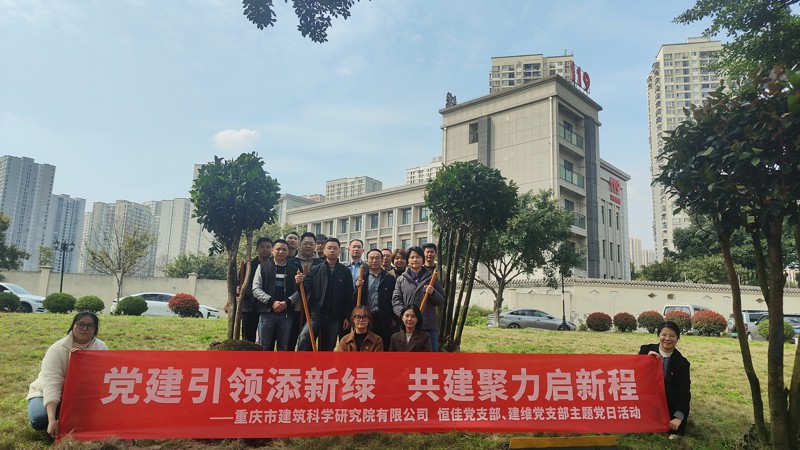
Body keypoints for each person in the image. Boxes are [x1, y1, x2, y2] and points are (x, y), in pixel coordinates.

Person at [27, 312, 108, 438]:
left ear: (95, 329)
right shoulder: (57, 349)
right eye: (80, 324)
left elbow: (102, 378)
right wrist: (52, 419)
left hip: (82, 395)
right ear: (73, 326)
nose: (84, 329)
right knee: (40, 419)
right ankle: (52, 420)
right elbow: (52, 384)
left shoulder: (101, 347)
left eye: (90, 325)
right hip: (46, 393)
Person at [296, 237, 354, 351]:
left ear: (339, 251)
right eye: (329, 248)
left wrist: (347, 316)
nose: (332, 250)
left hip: (335, 316)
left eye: (335, 248)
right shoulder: (315, 269)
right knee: (304, 338)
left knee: (329, 346)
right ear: (324, 250)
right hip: (316, 314)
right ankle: (302, 361)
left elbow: (349, 296)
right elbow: (305, 288)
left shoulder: (345, 271)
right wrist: (299, 283)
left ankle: (324, 363)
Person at [639, 321, 691, 438]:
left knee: (669, 389)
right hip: (647, 395)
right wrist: (645, 359)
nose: (667, 339)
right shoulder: (646, 350)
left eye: (672, 336)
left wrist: (679, 416)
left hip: (668, 399)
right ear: (659, 335)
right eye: (664, 335)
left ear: (677, 338)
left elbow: (684, 391)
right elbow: (634, 372)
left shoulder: (682, 363)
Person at [392, 246, 445, 352]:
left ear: (423, 259)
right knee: (409, 358)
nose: (415, 260)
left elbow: (441, 300)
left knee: (430, 358)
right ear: (408, 260)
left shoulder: (431, 278)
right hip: (408, 327)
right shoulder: (401, 280)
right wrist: (405, 315)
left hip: (428, 325)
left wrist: (433, 293)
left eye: (418, 257)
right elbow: (396, 300)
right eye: (412, 257)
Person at [252, 239, 300, 351]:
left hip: (286, 314)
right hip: (266, 313)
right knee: (263, 346)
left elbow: (298, 291)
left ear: (288, 252)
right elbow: (256, 289)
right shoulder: (262, 267)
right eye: (278, 249)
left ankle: (281, 363)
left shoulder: (294, 269)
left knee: (283, 347)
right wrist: (272, 302)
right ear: (272, 250)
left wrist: (287, 302)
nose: (281, 252)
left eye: (284, 249)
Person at [354, 248, 398, 350]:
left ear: (382, 260)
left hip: (384, 318)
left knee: (384, 345)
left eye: (377, 258)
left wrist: (393, 318)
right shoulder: (362, 278)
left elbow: (394, 299)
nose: (374, 261)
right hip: (366, 317)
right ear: (367, 260)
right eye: (371, 258)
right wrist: (357, 287)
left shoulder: (389, 278)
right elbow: (354, 299)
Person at [231, 236, 272, 343]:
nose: (265, 249)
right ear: (257, 249)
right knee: (248, 337)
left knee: (267, 339)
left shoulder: (274, 266)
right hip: (249, 306)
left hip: (267, 307)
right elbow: (238, 284)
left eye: (268, 247)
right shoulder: (247, 266)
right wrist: (238, 290)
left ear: (272, 249)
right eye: (262, 247)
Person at [288, 232, 323, 349]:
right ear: (300, 244)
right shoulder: (291, 263)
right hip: (294, 308)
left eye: (311, 244)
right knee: (290, 341)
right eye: (305, 243)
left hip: (313, 310)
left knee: (308, 342)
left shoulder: (321, 264)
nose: (308, 246)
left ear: (315, 245)